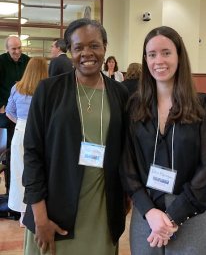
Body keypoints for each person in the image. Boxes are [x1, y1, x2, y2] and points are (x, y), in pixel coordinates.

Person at [22, 18, 128, 255]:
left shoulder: (120, 93)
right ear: (69, 51)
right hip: (53, 210)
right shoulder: (49, 90)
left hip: (101, 209)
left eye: (94, 45)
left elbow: (125, 151)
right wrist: (40, 216)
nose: (87, 53)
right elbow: (32, 153)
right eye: (78, 47)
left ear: (105, 47)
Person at [120, 26, 206, 255]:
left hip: (191, 213)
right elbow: (127, 166)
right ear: (145, 60)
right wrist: (151, 213)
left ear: (179, 56)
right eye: (152, 54)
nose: (159, 60)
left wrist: (174, 216)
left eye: (166, 52)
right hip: (147, 214)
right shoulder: (135, 107)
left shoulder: (203, 105)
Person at [5, 57, 48, 227]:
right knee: (38, 172)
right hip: (41, 133)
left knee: (18, 173)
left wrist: (21, 122)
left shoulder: (16, 87)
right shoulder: (46, 89)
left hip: (20, 131)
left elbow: (9, 112)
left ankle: (22, 214)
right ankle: (36, 212)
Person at [0, 36, 30, 192]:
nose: (17, 51)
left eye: (19, 48)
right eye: (13, 49)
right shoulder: (1, 61)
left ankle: (22, 188)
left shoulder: (27, 60)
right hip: (6, 113)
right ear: (7, 49)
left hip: (24, 114)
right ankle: (9, 188)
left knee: (21, 152)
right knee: (8, 151)